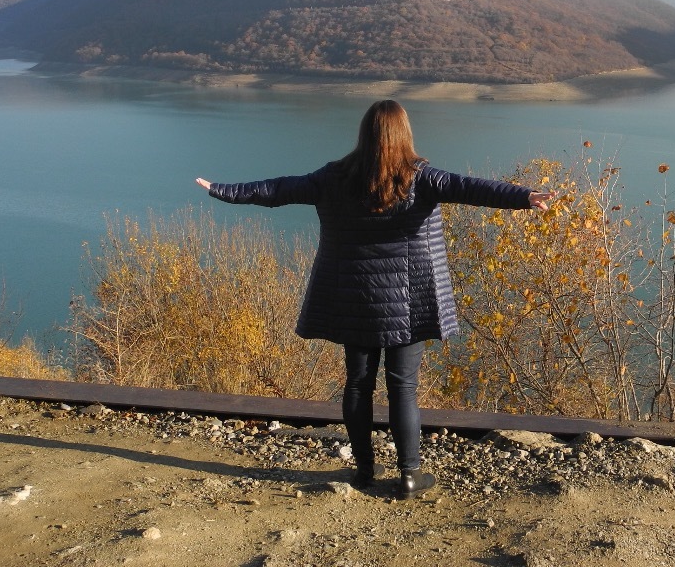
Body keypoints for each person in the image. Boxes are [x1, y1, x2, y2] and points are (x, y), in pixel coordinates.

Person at [196, 99, 553, 499]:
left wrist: (221, 190)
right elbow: (474, 189)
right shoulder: (422, 178)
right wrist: (525, 197)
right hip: (409, 299)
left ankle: (364, 471)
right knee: (403, 387)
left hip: (355, 298)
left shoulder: (333, 177)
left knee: (358, 384)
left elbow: (277, 189)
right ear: (405, 134)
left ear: (364, 134)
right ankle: (409, 475)